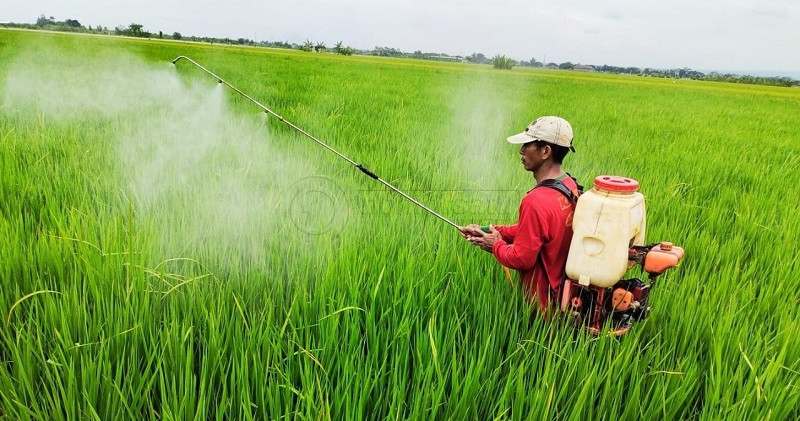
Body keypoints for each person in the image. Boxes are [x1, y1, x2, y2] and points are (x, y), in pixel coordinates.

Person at [460, 116, 580, 312]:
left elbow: (522, 259)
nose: (521, 151)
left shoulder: (535, 200)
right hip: (565, 295)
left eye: (527, 145)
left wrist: (494, 244)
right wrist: (486, 230)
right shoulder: (569, 185)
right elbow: (538, 231)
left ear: (545, 151)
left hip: (543, 306)